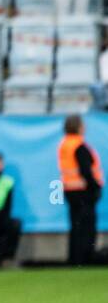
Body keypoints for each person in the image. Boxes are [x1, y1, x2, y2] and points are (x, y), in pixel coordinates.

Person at [58, 113, 103, 265]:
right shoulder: (79, 145)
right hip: (83, 192)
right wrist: (96, 187)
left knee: (76, 226)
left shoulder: (65, 144)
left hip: (70, 190)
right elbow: (86, 170)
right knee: (86, 226)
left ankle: (75, 258)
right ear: (79, 127)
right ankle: (85, 258)